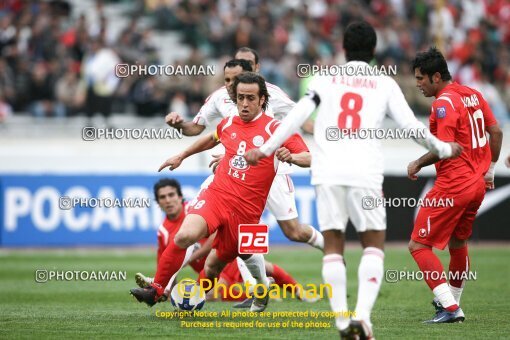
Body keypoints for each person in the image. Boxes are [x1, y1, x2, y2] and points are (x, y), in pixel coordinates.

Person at [245, 21, 462, 339]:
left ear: (343, 49)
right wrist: (444, 148)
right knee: (373, 246)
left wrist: (265, 148)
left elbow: (297, 115)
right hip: (365, 173)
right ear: (374, 51)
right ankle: (362, 317)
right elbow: (411, 127)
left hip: (327, 172)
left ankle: (343, 323)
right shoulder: (383, 83)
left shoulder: (326, 78)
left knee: (333, 246)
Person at [130, 72, 311, 312]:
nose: (244, 104)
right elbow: (210, 139)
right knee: (184, 235)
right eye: (240, 98)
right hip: (218, 195)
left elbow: (309, 157)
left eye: (250, 98)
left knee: (217, 265)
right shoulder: (228, 123)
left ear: (262, 100)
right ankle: (157, 290)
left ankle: (260, 289)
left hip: (246, 212)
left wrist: (293, 157)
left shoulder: (278, 129)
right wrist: (182, 155)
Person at [165, 48, 324, 251]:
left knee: (293, 232)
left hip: (271, 172)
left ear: (255, 69)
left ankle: (330, 249)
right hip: (232, 173)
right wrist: (179, 126)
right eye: (229, 78)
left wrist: (325, 140)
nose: (233, 83)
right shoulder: (218, 97)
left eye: (245, 67)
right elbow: (197, 129)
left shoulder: (271, 94)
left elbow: (301, 119)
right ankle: (163, 280)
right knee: (200, 222)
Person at [407, 47, 503, 323]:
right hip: (476, 184)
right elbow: (495, 132)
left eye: (421, 79)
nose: (418, 84)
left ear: (436, 77)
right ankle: (452, 304)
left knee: (418, 245)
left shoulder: (443, 103)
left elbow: (445, 147)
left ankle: (449, 307)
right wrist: (491, 170)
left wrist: (417, 163)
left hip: (454, 184)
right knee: (457, 242)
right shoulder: (473, 94)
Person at [135, 178, 319, 303]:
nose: (168, 200)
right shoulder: (163, 232)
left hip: (222, 258)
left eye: (171, 195)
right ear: (157, 202)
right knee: (214, 293)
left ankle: (300, 293)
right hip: (210, 274)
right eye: (162, 197)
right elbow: (166, 268)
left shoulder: (195, 210)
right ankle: (261, 290)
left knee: (263, 265)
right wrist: (166, 291)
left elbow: (217, 234)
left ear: (180, 196)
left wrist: (190, 258)